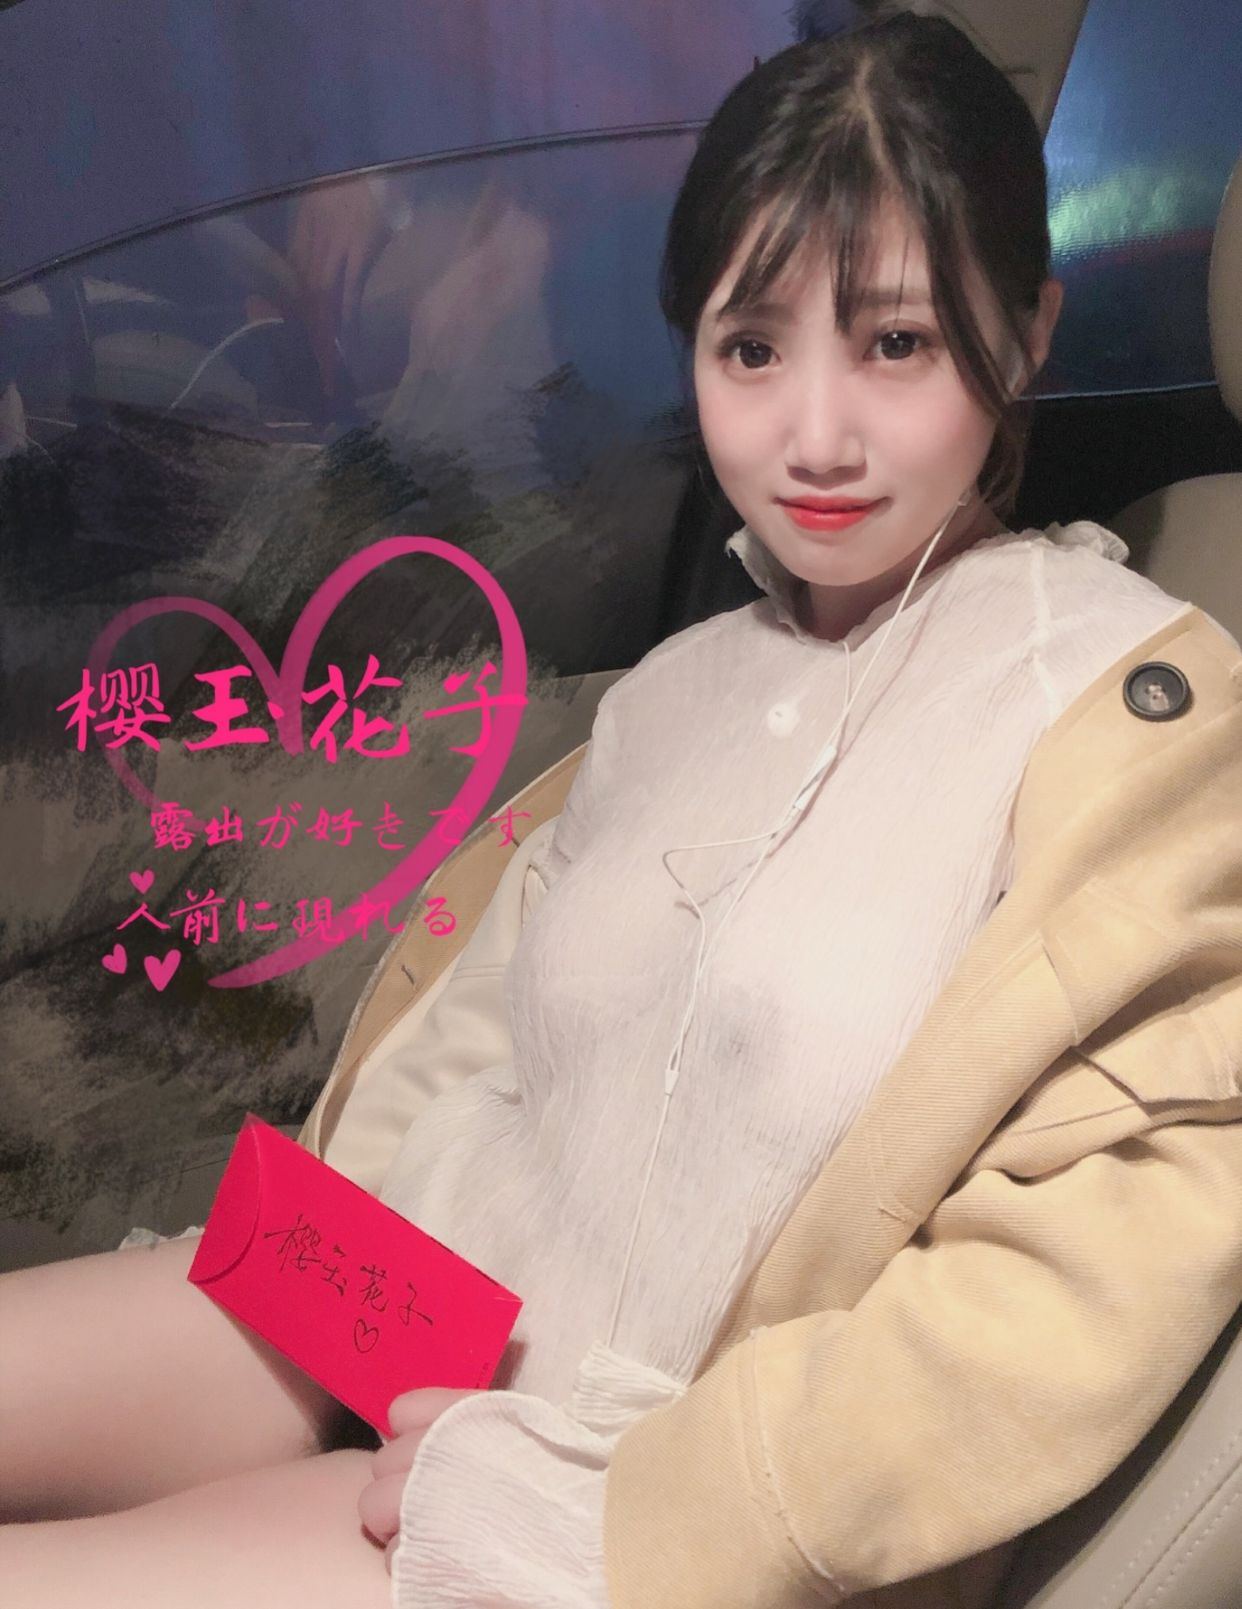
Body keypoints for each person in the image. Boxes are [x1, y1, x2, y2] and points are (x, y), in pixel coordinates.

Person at [3, 12, 1240, 1606]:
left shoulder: (1129, 716)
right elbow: (475, 1051)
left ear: (1025, 334)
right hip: (405, 1296)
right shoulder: (678, 688)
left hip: (619, 1476)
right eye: (750, 349)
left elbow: (1074, 1280)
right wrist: (324, 1233)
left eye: (895, 344)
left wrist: (646, 1511)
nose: (813, 437)